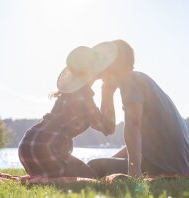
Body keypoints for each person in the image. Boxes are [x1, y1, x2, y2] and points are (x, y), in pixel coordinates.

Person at [87, 40, 189, 177]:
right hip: (182, 165)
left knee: (93, 167)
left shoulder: (130, 81)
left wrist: (134, 170)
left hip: (165, 166)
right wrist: (106, 92)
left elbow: (133, 126)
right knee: (99, 165)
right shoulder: (139, 78)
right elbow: (109, 128)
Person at [18, 43, 118, 178]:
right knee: (91, 179)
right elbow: (108, 128)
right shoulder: (84, 97)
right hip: (47, 148)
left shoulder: (69, 94)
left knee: (78, 176)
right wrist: (107, 93)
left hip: (28, 145)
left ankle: (45, 177)